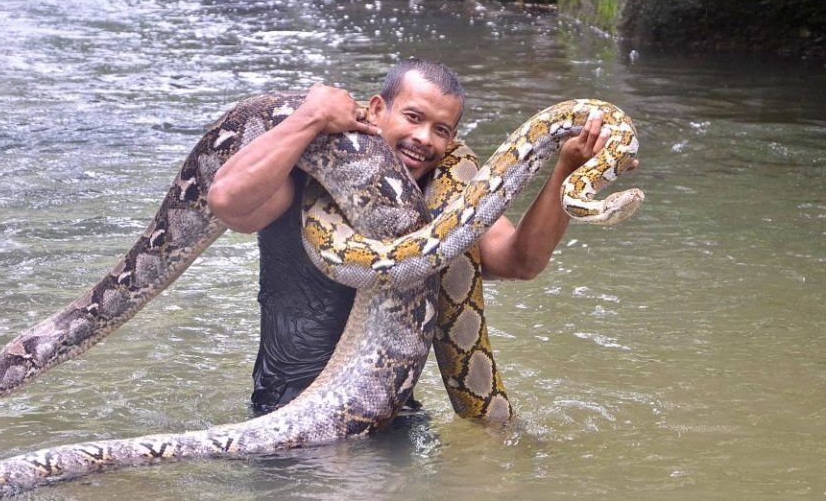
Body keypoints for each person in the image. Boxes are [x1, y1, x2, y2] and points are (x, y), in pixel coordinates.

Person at [208, 59, 624, 414]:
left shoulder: (448, 193)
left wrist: (566, 167)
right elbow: (228, 202)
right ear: (375, 110)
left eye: (441, 130)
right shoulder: (302, 174)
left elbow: (521, 262)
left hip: (392, 411)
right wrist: (309, 117)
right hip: (289, 406)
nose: (424, 138)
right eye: (413, 117)